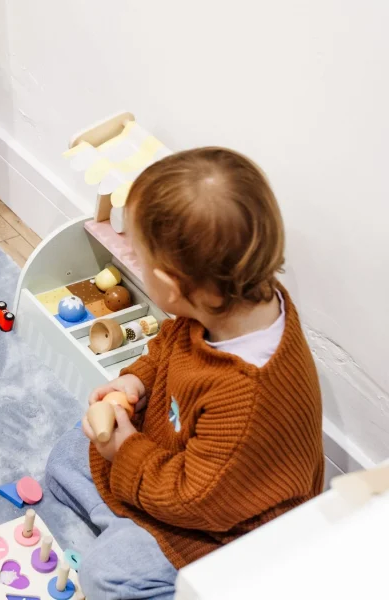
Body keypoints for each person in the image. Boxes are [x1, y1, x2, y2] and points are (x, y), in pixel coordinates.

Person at [46, 148, 324, 599]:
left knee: (106, 578)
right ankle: (132, 514)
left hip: (229, 526)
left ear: (171, 287)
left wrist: (126, 451)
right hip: (180, 464)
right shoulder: (232, 300)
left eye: (137, 259)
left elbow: (196, 498)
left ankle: (158, 551)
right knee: (65, 458)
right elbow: (169, 346)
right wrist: (135, 381)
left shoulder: (246, 398)